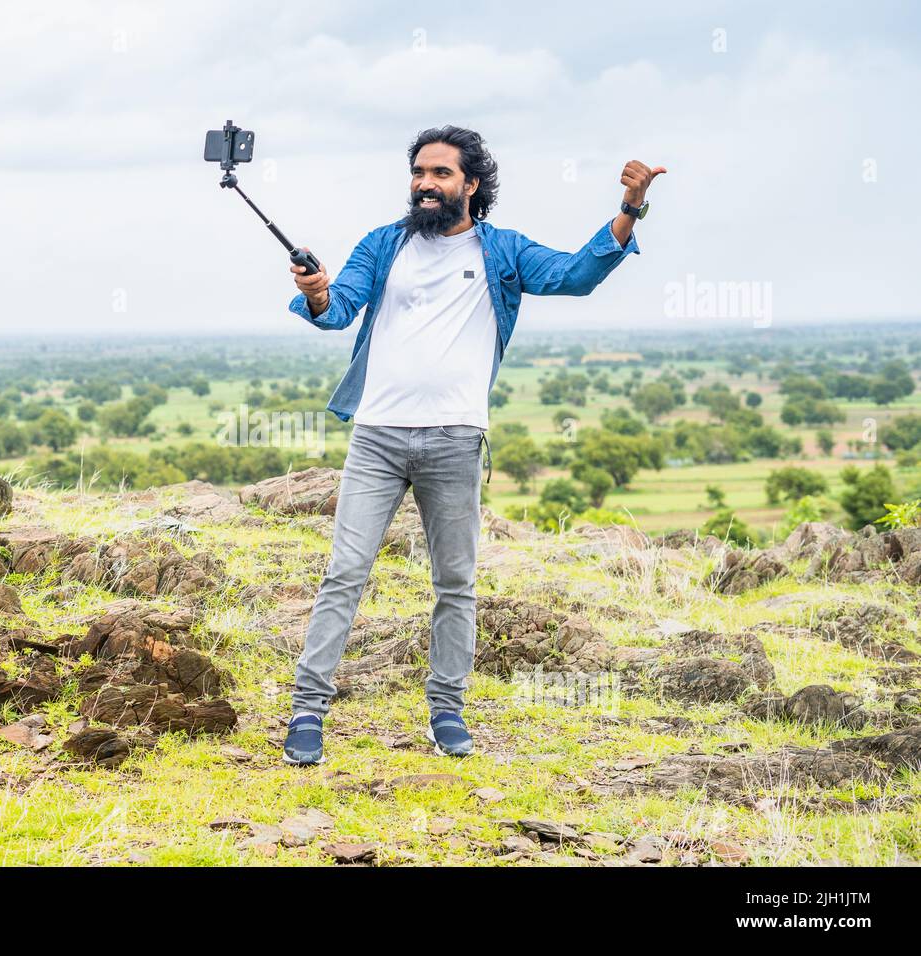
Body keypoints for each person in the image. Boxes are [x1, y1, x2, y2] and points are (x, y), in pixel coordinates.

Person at [282, 125, 665, 763]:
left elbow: (574, 275)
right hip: (376, 436)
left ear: (471, 184)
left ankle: (447, 712)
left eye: (441, 174)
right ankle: (307, 712)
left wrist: (629, 210)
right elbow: (339, 307)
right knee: (344, 574)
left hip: (456, 440)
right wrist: (317, 293)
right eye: (419, 173)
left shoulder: (503, 250)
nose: (426, 184)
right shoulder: (384, 245)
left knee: (455, 582)